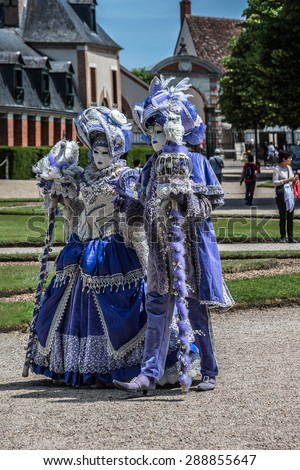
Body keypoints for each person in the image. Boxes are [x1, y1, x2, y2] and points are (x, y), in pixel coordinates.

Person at [113, 76, 234, 396]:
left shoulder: (196, 162)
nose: (153, 137)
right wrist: (127, 203)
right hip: (159, 253)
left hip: (190, 253)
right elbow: (143, 211)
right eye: (149, 131)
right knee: (157, 312)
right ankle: (148, 377)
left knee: (195, 311)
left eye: (158, 130)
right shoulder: (150, 167)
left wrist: (184, 201)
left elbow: (208, 204)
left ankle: (208, 369)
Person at [273, 150, 298, 243]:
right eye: (289, 158)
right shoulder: (277, 169)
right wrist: (286, 180)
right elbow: (274, 182)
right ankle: (283, 236)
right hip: (281, 194)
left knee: (290, 216)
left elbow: (292, 181)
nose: (291, 160)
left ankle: (291, 237)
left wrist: (294, 180)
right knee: (283, 216)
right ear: (284, 159)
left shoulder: (289, 168)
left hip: (289, 194)